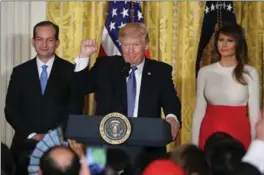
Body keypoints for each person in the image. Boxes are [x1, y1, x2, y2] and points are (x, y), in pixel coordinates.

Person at [71, 22, 181, 172]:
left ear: (146, 45)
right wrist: (83, 57)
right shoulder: (106, 66)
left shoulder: (160, 71)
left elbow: (171, 101)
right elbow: (79, 88)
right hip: (104, 144)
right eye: (125, 45)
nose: (130, 51)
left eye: (135, 45)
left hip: (146, 148)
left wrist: (172, 117)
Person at [4, 21, 76, 174]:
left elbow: (74, 108)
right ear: (33, 41)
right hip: (24, 148)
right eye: (39, 39)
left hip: (59, 149)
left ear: (57, 43)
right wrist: (32, 135)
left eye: (49, 40)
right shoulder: (20, 72)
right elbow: (11, 109)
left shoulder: (70, 71)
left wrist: (51, 135)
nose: (44, 44)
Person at [192, 23, 260, 150]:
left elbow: (254, 115)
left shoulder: (250, 72)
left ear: (238, 44)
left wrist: (256, 148)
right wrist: (195, 148)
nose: (224, 45)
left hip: (239, 136)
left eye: (230, 41)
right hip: (209, 134)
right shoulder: (205, 72)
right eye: (221, 40)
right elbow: (199, 112)